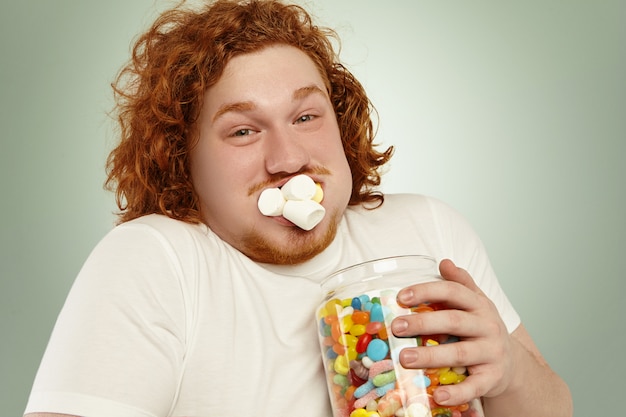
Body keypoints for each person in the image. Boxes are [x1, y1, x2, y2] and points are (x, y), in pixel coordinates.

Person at [24, 1, 572, 416]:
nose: (288, 160)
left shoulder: (427, 229)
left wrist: (509, 372)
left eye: (306, 117)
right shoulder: (156, 261)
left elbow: (554, 406)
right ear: (181, 160)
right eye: (242, 130)